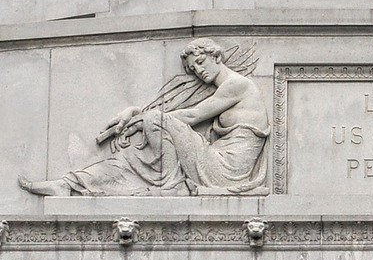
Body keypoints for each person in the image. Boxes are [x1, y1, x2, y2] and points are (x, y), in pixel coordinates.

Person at [19, 38, 270, 196]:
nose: (199, 70)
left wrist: (143, 118)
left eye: (202, 62)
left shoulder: (237, 85)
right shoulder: (219, 89)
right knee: (131, 158)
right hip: (213, 160)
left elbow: (192, 115)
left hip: (226, 169)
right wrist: (139, 114)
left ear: (217, 56)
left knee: (154, 122)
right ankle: (71, 184)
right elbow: (179, 112)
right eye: (193, 68)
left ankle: (170, 186)